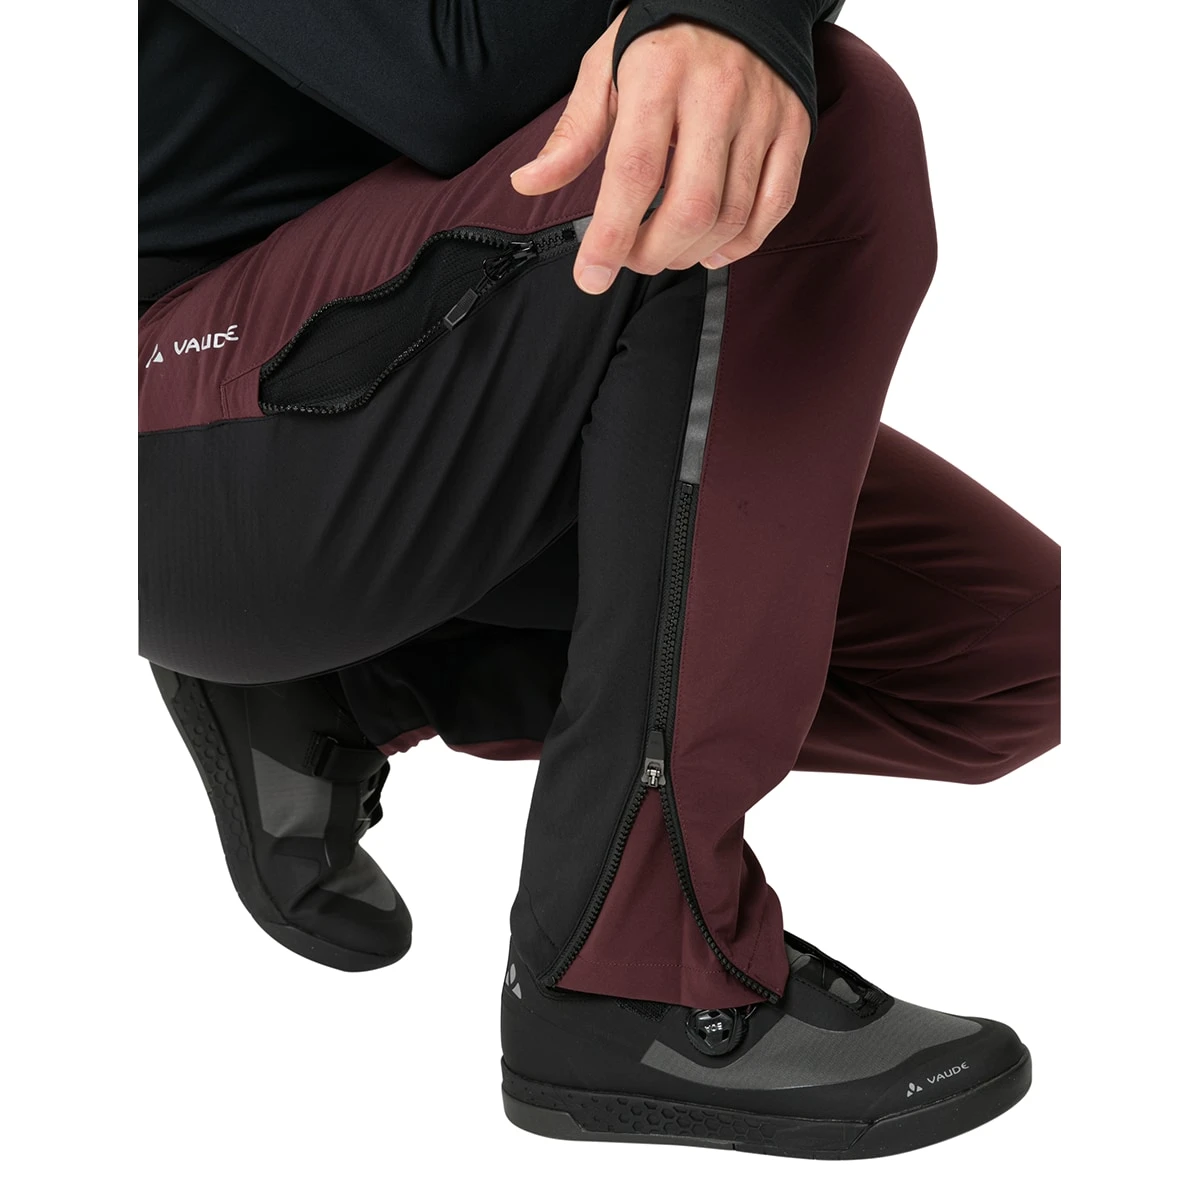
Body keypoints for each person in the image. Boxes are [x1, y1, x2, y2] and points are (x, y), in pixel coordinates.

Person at [139, 0, 1060, 1159]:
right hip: (171, 428)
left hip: (439, 368)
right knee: (744, 104)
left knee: (1014, 657)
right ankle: (630, 972)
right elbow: (449, 76)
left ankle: (353, 686)